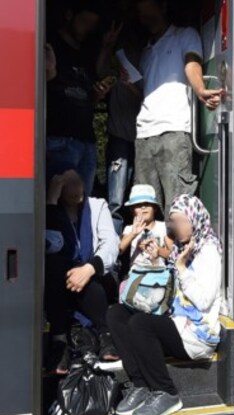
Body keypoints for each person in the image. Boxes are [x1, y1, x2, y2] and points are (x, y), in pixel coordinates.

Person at [107, 195, 224, 415]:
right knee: (117, 313)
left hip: (196, 334)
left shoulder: (207, 250)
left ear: (195, 220)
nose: (176, 228)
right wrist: (157, 261)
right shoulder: (185, 245)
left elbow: (202, 300)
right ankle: (140, 384)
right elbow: (173, 286)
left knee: (140, 324)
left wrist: (180, 266)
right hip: (175, 321)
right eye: (173, 222)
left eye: (182, 222)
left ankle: (166, 392)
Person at [133, 0, 222, 207]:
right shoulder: (146, 50)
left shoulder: (185, 35)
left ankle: (178, 242)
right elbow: (148, 89)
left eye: (145, 5)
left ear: (162, 6)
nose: (141, 11)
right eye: (139, 9)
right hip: (144, 131)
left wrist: (200, 89)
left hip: (174, 129)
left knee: (177, 206)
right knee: (145, 208)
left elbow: (192, 64)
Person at [45, 170, 120, 374]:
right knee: (54, 266)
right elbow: (50, 245)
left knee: (89, 278)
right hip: (63, 281)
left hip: (96, 279)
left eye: (78, 182)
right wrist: (51, 202)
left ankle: (105, 335)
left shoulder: (97, 205)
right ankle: (59, 341)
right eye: (67, 184)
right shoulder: (51, 210)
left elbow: (111, 245)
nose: (76, 188)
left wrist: (89, 268)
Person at [45, 0, 113, 197]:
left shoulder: (86, 54)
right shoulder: (49, 44)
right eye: (84, 21)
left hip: (87, 140)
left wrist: (97, 95)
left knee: (84, 206)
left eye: (92, 24)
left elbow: (85, 98)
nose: (87, 28)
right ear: (69, 15)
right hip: (58, 137)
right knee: (58, 200)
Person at [97, 2, 146, 234]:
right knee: (115, 201)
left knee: (143, 200)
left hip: (144, 137)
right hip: (118, 136)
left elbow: (149, 96)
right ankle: (113, 258)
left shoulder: (147, 55)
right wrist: (107, 47)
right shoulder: (115, 58)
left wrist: (131, 85)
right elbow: (99, 73)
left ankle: (139, 251)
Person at [119, 184, 173, 269]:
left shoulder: (163, 227)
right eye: (139, 205)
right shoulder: (129, 229)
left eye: (147, 204)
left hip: (159, 272)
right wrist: (133, 234)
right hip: (136, 274)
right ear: (133, 211)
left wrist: (159, 250)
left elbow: (174, 255)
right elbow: (119, 250)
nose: (143, 207)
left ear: (154, 208)